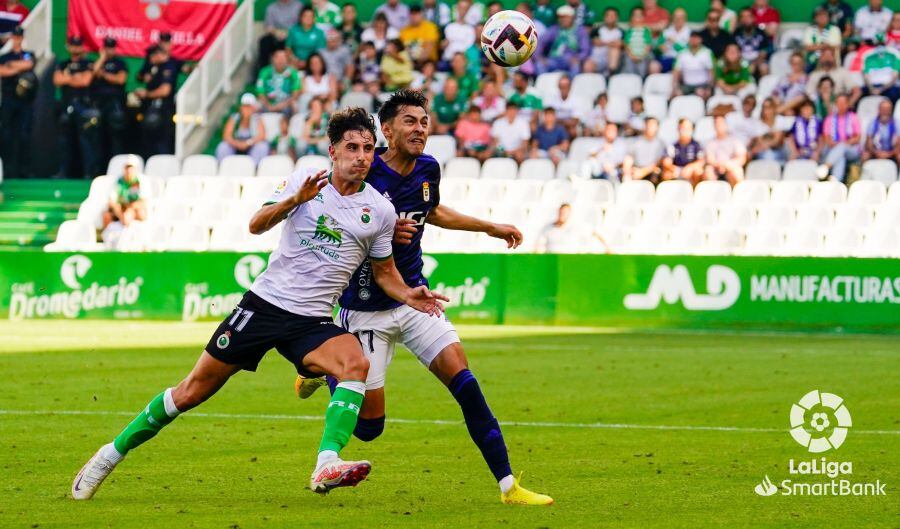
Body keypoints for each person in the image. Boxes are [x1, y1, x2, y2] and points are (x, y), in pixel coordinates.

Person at [72, 106, 449, 499]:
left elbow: (385, 272)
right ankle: (109, 454)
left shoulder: (381, 210)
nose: (361, 156)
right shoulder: (306, 181)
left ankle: (326, 463)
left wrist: (409, 294)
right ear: (332, 151)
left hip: (313, 321)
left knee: (356, 363)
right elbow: (256, 224)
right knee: (191, 391)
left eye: (368, 148)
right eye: (351, 147)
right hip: (265, 306)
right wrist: (295, 200)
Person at [295, 89, 552, 505]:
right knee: (370, 429)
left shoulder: (428, 168)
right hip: (365, 310)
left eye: (425, 122)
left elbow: (432, 210)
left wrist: (489, 227)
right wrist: (381, 232)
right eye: (410, 122)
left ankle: (509, 486)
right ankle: (323, 369)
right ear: (387, 129)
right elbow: (338, 231)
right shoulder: (363, 170)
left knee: (465, 384)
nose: (420, 129)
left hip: (415, 297)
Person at [54, 36, 100, 179]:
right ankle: (63, 172)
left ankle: (88, 172)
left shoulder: (87, 63)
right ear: (69, 47)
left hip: (84, 106)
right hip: (66, 104)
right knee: (64, 141)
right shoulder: (63, 63)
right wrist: (75, 78)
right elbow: (57, 80)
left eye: (78, 45)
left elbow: (85, 81)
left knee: (86, 140)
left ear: (82, 47)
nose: (75, 48)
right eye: (73, 45)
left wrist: (68, 77)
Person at [0, 26, 35, 179]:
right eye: (15, 36)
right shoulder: (4, 56)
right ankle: (7, 170)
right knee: (6, 135)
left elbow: (28, 64)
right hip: (8, 100)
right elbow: (2, 71)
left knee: (24, 135)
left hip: (25, 101)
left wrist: (11, 66)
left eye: (20, 36)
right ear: (12, 37)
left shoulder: (27, 54)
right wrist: (17, 68)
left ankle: (24, 171)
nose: (17, 39)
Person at [91, 37, 128, 166]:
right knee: (98, 137)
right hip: (99, 105)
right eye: (107, 47)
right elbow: (93, 73)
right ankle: (97, 169)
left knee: (115, 138)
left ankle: (117, 167)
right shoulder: (98, 62)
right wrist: (101, 58)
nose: (109, 50)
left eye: (111, 47)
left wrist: (105, 75)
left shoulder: (120, 63)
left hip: (115, 105)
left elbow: (121, 79)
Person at [135, 45, 176, 157]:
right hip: (151, 110)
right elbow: (138, 76)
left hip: (162, 110)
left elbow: (165, 91)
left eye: (152, 56)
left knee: (160, 143)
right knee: (149, 143)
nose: (150, 59)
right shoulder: (154, 67)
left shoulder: (168, 67)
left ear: (159, 54)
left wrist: (146, 94)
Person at [215, 93, 270, 164]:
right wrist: (237, 144)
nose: (247, 109)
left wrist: (247, 143)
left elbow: (262, 135)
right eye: (245, 106)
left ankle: (255, 168)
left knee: (262, 146)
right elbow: (227, 136)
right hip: (235, 146)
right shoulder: (234, 118)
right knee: (223, 146)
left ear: (253, 108)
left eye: (249, 106)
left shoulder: (257, 119)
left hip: (251, 146)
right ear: (241, 107)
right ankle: (223, 166)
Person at [538, 5, 590, 76]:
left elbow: (585, 49)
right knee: (539, 65)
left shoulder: (580, 31)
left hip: (570, 59)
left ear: (572, 17)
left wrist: (578, 58)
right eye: (560, 17)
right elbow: (540, 42)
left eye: (566, 17)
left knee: (576, 67)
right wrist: (539, 57)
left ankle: (568, 85)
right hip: (553, 59)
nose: (563, 19)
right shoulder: (554, 29)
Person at [820, 93, 861, 182]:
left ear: (848, 104)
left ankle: (826, 166)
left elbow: (858, 137)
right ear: (835, 104)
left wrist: (845, 143)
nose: (841, 106)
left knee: (842, 147)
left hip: (851, 149)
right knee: (840, 156)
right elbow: (827, 138)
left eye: (844, 103)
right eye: (839, 103)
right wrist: (834, 144)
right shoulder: (829, 119)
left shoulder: (853, 117)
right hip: (833, 149)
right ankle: (835, 180)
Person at [102, 155, 146, 228]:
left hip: (134, 208)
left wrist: (130, 209)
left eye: (131, 168)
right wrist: (120, 213)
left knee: (139, 213)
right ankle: (107, 237)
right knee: (106, 215)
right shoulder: (117, 181)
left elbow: (144, 202)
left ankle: (136, 235)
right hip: (119, 208)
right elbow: (111, 201)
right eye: (127, 168)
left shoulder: (141, 181)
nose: (128, 170)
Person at [256, 48, 301, 117]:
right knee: (256, 106)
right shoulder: (265, 72)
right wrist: (269, 106)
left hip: (286, 104)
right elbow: (260, 91)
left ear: (287, 60)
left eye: (283, 58)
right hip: (268, 103)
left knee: (294, 105)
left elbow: (295, 94)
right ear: (273, 59)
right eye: (278, 58)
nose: (281, 60)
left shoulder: (293, 73)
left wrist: (282, 105)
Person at [258, 0, 302, 70]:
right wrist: (276, 32)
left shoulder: (298, 6)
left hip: (293, 35)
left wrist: (289, 33)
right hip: (276, 35)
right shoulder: (271, 8)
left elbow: (302, 24)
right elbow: (268, 26)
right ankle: (264, 71)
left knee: (293, 41)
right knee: (264, 41)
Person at [704, 116, 747, 185]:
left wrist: (728, 165)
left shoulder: (735, 140)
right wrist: (719, 165)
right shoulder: (710, 142)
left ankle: (738, 194)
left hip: (731, 166)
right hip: (715, 168)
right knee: (708, 171)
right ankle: (712, 194)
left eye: (721, 124)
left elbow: (742, 158)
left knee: (737, 172)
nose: (719, 126)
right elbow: (709, 159)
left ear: (726, 125)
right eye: (717, 124)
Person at [662, 119, 706, 184]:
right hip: (676, 170)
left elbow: (701, 161)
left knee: (698, 171)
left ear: (692, 130)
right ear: (678, 129)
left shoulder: (697, 145)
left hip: (691, 171)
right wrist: (676, 170)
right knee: (666, 175)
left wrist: (690, 168)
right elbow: (666, 162)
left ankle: (694, 192)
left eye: (688, 128)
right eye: (683, 128)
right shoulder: (672, 145)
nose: (685, 131)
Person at [673, 31, 714, 100]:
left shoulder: (707, 52)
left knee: (700, 93)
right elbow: (676, 72)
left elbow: (711, 72)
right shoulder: (682, 53)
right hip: (686, 85)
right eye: (692, 38)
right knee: (678, 94)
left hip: (702, 85)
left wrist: (709, 87)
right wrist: (675, 87)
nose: (694, 40)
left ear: (700, 39)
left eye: (696, 38)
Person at [623, 117, 665, 182]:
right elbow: (629, 158)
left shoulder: (660, 143)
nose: (650, 127)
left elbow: (658, 162)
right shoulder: (635, 142)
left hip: (651, 172)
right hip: (636, 170)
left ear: (657, 127)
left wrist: (642, 172)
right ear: (644, 126)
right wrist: (627, 174)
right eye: (649, 124)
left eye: (653, 125)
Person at [733, 8, 771, 77]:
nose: (746, 19)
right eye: (743, 17)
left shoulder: (761, 33)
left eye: (748, 16)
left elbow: (763, 53)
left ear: (753, 18)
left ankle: (763, 87)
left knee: (764, 67)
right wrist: (744, 63)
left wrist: (754, 63)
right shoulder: (736, 34)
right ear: (740, 19)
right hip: (741, 60)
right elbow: (733, 52)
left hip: (758, 60)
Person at [748, 97, 787, 162]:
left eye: (769, 107)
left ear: (774, 108)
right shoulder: (758, 123)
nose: (767, 110)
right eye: (765, 107)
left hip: (779, 150)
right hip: (763, 151)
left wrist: (763, 143)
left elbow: (777, 141)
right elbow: (759, 140)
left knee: (769, 155)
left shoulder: (780, 120)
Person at [861, 37, 900, 102]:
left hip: (889, 86)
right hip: (872, 86)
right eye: (877, 44)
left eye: (882, 44)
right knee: (861, 92)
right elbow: (865, 76)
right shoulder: (868, 56)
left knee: (895, 93)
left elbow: (895, 77)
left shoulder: (894, 54)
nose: (879, 46)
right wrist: (871, 88)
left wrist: (881, 89)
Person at [588, 7, 623, 75]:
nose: (610, 18)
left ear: (617, 18)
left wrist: (604, 42)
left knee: (614, 50)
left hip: (613, 61)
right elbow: (596, 42)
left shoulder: (620, 31)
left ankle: (610, 76)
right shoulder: (597, 29)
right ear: (604, 17)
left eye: (613, 16)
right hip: (596, 59)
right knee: (588, 65)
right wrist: (611, 43)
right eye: (608, 15)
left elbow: (620, 44)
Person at [621, 7, 653, 77]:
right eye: (635, 16)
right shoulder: (629, 31)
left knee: (642, 67)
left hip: (643, 55)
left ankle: (642, 80)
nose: (637, 18)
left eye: (639, 16)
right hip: (631, 55)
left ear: (643, 18)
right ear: (631, 18)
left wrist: (642, 55)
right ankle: (631, 80)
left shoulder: (646, 31)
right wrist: (631, 55)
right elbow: (626, 44)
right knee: (628, 62)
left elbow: (648, 44)